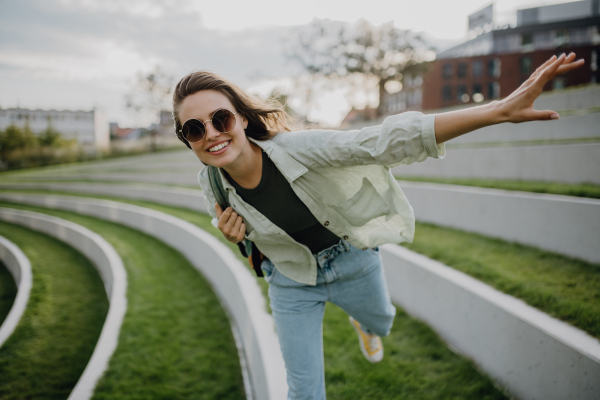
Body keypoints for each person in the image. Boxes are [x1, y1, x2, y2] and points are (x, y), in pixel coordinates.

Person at [172, 53, 583, 400]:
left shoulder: (297, 150)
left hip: (351, 260)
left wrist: (497, 111)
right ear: (186, 138)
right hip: (291, 280)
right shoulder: (210, 183)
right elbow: (236, 230)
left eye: (220, 119)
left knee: (382, 321)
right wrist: (232, 235)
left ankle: (366, 324)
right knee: (303, 390)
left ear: (242, 119)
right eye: (194, 129)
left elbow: (380, 141)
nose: (210, 134)